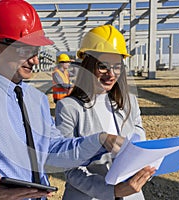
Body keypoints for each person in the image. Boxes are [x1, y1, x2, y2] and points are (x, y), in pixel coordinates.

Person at [0, 1, 145, 200]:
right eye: (26, 50)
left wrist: (99, 141)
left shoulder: (36, 99)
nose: (34, 59)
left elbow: (54, 149)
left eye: (36, 50)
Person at [55, 25, 155, 200]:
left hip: (131, 195)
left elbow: (139, 147)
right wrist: (113, 192)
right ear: (87, 66)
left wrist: (146, 168)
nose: (111, 74)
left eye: (117, 67)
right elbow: (70, 168)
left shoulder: (129, 102)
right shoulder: (69, 108)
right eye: (103, 66)